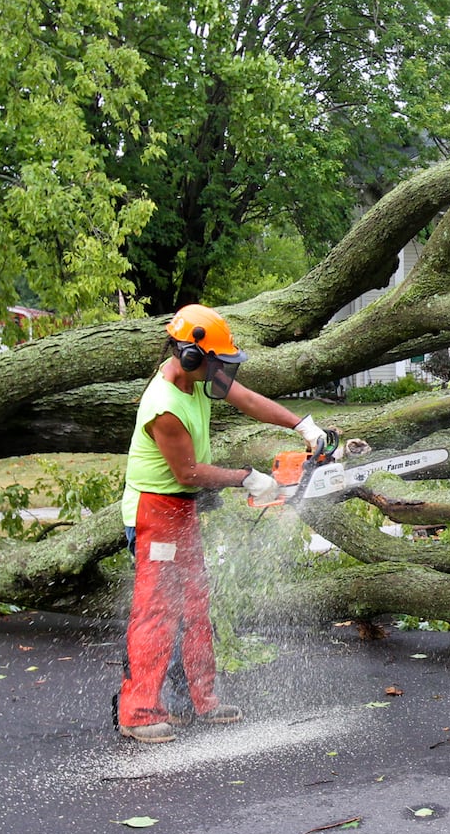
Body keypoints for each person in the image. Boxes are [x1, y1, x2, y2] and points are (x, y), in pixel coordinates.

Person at [116, 304, 333, 744]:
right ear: (191, 356)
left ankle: (201, 700)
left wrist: (301, 425)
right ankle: (138, 712)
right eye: (213, 360)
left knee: (195, 605)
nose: (219, 369)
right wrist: (246, 478)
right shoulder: (164, 407)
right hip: (152, 511)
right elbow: (188, 473)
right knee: (157, 611)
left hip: (180, 509)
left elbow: (247, 399)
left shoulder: (197, 377)